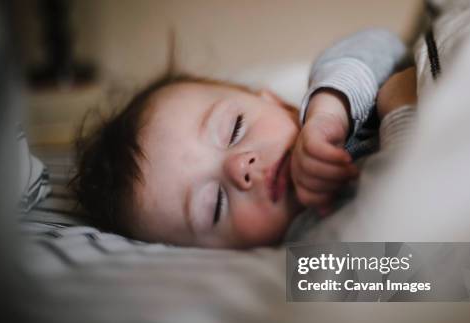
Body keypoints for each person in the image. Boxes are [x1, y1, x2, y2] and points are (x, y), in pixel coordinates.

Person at [71, 29, 418, 248]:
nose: (241, 167)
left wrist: (329, 109)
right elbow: (426, 275)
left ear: (277, 102)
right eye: (215, 206)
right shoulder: (316, 248)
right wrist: (402, 114)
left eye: (236, 128)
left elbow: (379, 43)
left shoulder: (334, 95)